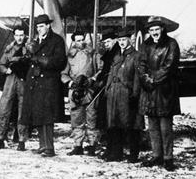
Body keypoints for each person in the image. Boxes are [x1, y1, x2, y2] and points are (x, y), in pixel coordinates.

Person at [20, 14, 67, 157]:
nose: (39, 29)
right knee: (38, 114)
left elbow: (59, 62)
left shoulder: (57, 40)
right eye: (37, 27)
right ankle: (42, 145)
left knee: (47, 117)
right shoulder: (36, 41)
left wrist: (38, 59)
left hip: (48, 83)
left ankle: (49, 148)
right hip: (35, 82)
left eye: (41, 26)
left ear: (48, 25)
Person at [138, 16, 181, 171]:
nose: (154, 32)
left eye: (157, 29)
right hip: (149, 91)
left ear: (162, 29)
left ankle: (168, 158)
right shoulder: (145, 45)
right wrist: (146, 79)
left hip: (165, 91)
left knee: (165, 127)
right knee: (153, 126)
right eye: (151, 30)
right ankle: (157, 156)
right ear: (149, 31)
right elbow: (140, 64)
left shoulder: (171, 44)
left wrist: (153, 79)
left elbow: (169, 66)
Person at [103, 28, 144, 163]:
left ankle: (133, 155)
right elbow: (110, 73)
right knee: (114, 124)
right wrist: (107, 90)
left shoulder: (136, 55)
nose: (121, 42)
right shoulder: (116, 56)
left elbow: (138, 77)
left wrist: (135, 94)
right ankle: (116, 153)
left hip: (126, 93)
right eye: (119, 40)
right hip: (114, 92)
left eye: (124, 40)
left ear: (130, 40)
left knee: (131, 124)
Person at [61, 30, 99, 156]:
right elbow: (63, 73)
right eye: (77, 40)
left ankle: (92, 145)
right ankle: (78, 145)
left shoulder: (93, 54)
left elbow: (100, 69)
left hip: (89, 91)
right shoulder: (69, 56)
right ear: (73, 41)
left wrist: (92, 79)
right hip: (75, 91)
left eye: (82, 39)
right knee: (76, 119)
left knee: (91, 118)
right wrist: (70, 83)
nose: (80, 42)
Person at [0, 26, 30, 151]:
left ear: (24, 36)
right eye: (17, 35)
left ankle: (21, 140)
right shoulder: (9, 49)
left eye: (21, 35)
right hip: (10, 80)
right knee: (4, 109)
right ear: (14, 36)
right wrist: (6, 70)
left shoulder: (29, 48)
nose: (19, 38)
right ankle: (0, 138)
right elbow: (1, 64)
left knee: (23, 110)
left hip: (23, 81)